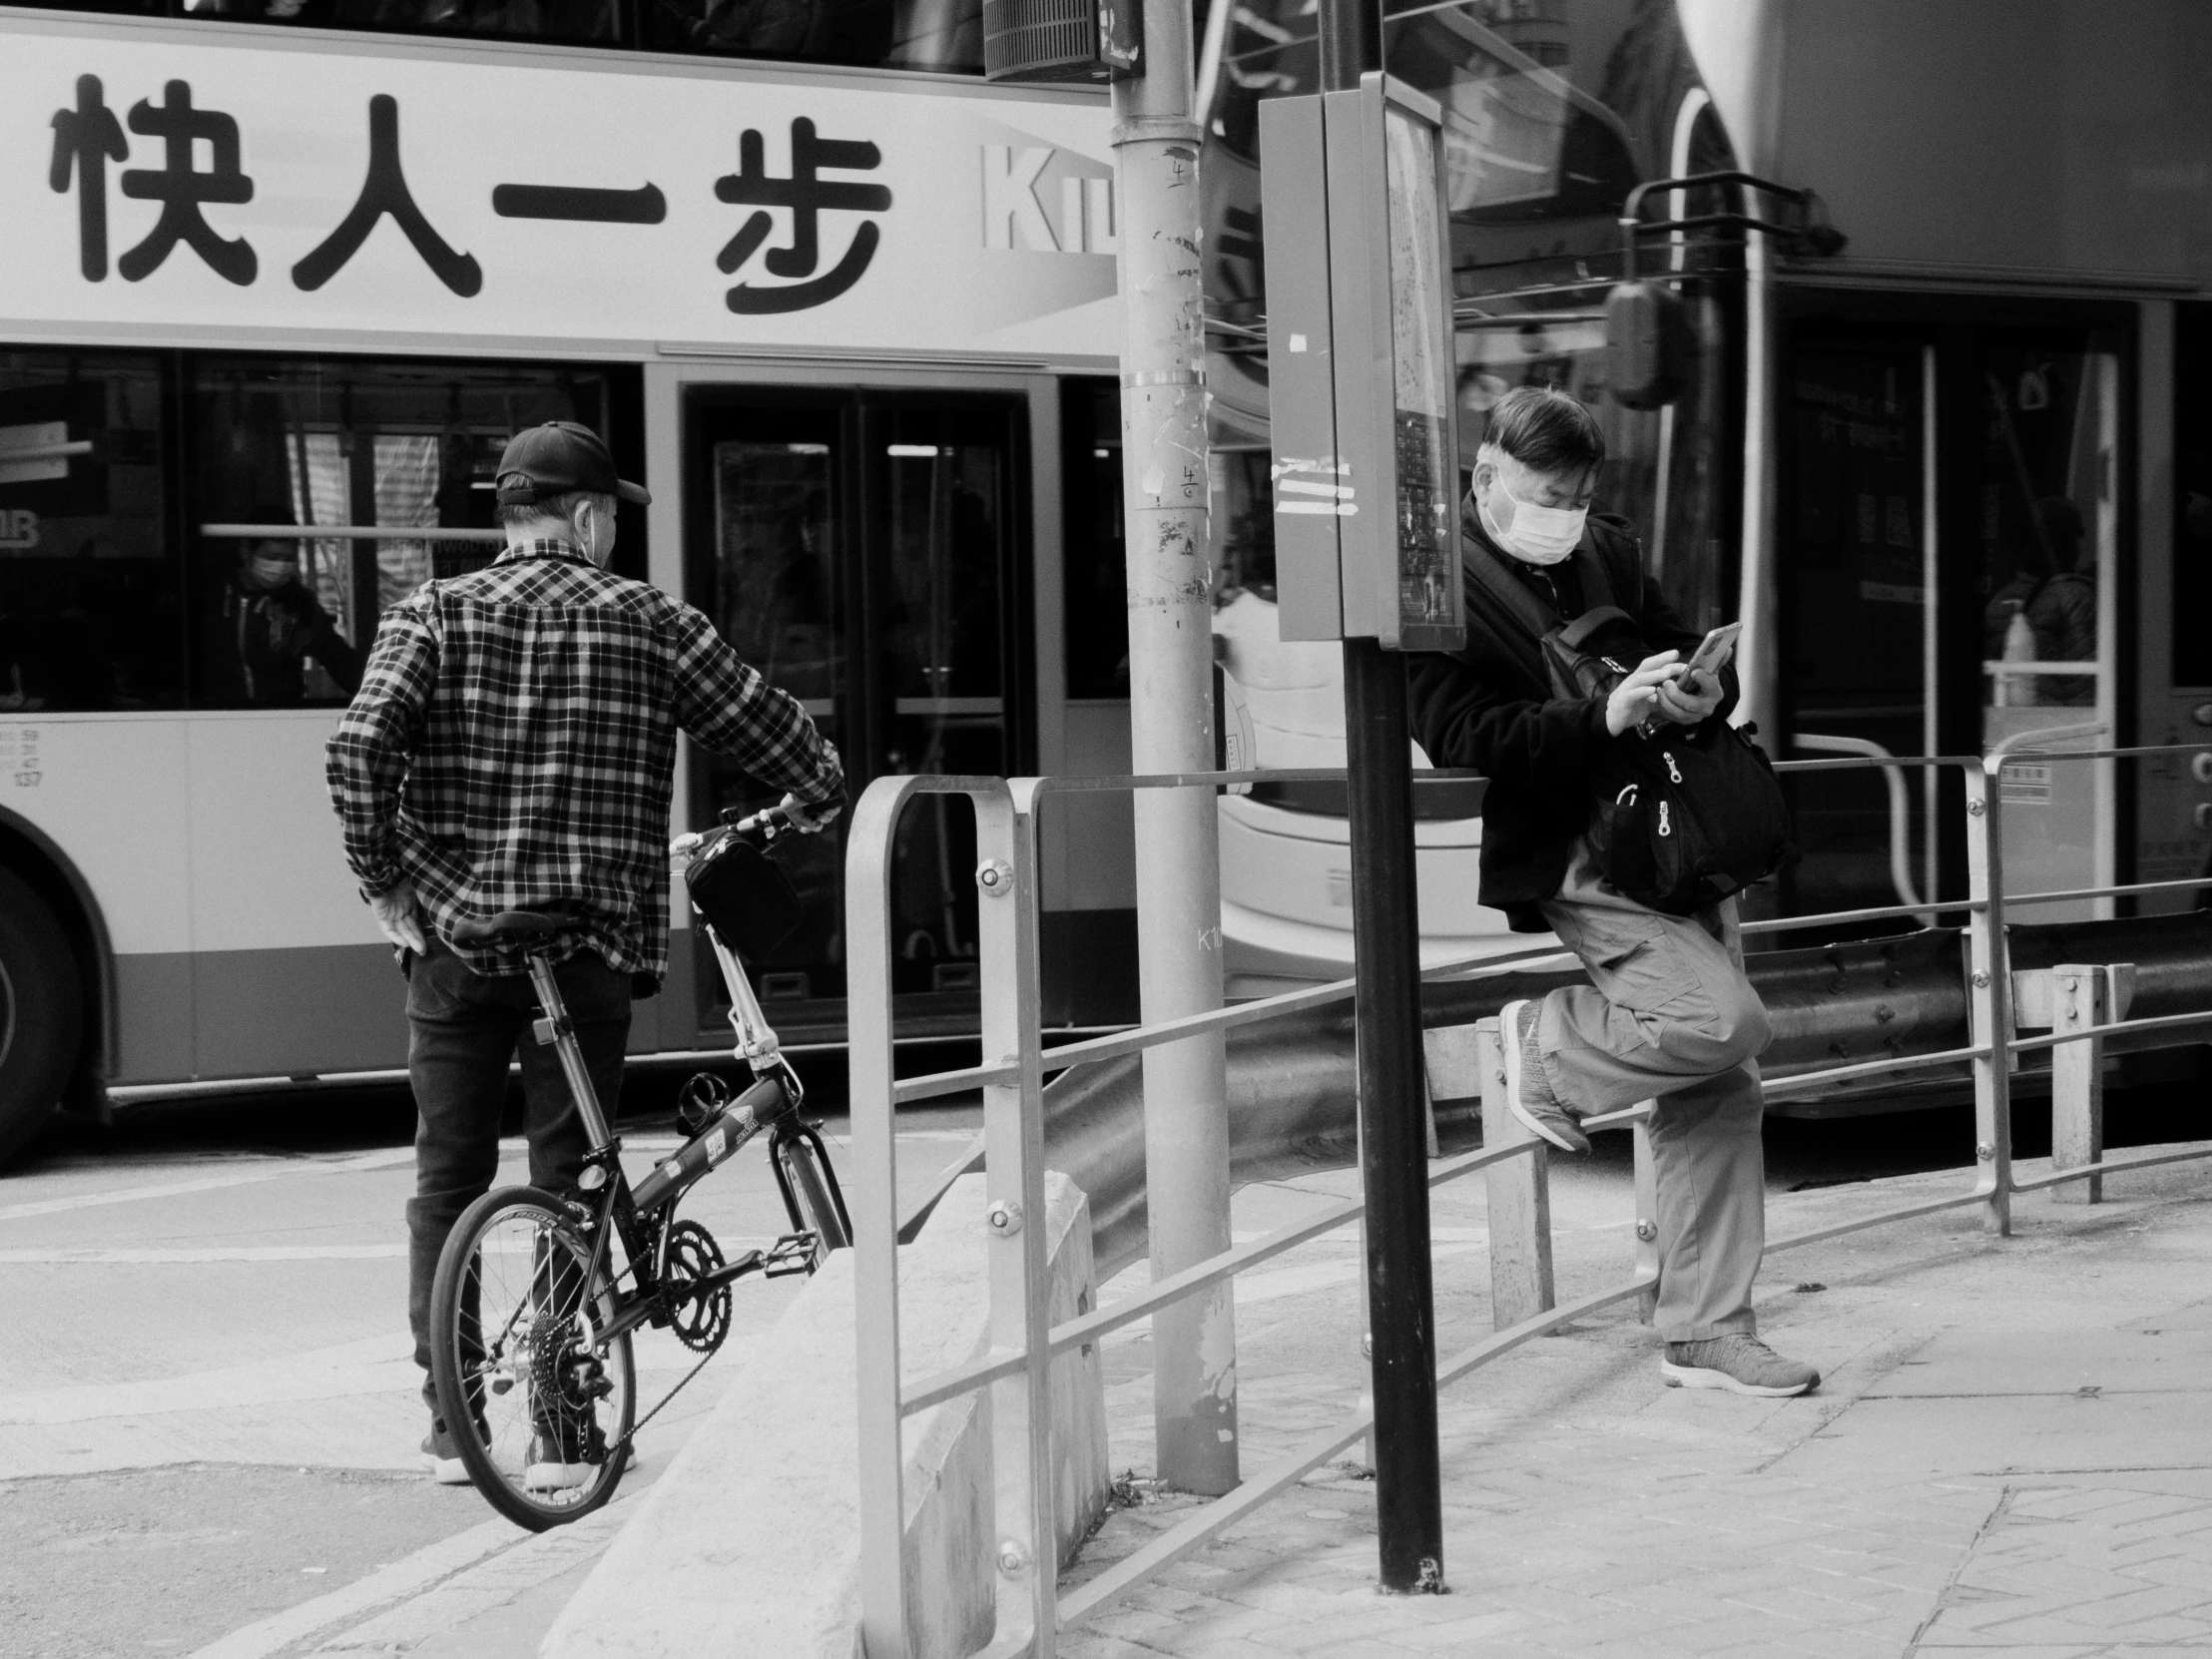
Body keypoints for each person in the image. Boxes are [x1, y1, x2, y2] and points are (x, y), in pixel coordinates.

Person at [324, 421, 844, 1485]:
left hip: (455, 941)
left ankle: (450, 1421)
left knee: (446, 1177)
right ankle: (564, 1425)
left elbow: (358, 748)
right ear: (593, 518)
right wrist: (813, 788)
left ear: (509, 515)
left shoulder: (431, 611)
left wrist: (385, 881)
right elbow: (785, 743)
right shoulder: (650, 621)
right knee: (573, 1181)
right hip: (589, 944)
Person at [1408, 384, 1819, 1399]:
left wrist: (1693, 687)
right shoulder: (1435, 589)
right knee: (1717, 1022)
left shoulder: (1610, 550)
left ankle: (1704, 1330)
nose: (1563, 513)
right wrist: (1601, 718)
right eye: (1546, 493)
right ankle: (1539, 1049)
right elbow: (1466, 738)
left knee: (1716, 1085)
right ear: (1486, 476)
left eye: (1578, 495)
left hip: (1673, 836)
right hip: (1577, 853)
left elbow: (1672, 647)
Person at [209, 531, 365, 705]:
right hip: (216, 716)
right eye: (272, 557)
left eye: (288, 558)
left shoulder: (298, 605)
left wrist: (380, 693)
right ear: (246, 551)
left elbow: (338, 658)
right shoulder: (212, 595)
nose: (280, 566)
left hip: (282, 717)